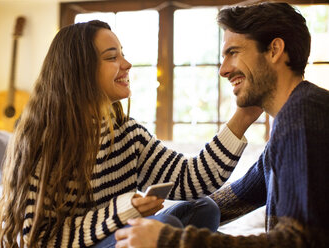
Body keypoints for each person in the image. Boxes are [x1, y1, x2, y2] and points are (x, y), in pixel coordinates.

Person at [0, 20, 262, 248]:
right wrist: (123, 210)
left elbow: (190, 179)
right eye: (112, 57)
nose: (127, 64)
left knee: (204, 208)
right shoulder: (45, 140)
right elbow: (38, 238)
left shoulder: (126, 132)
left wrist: (244, 116)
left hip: (113, 234)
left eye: (122, 54)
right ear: (80, 70)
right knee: (165, 227)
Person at [115, 2, 329, 248]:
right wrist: (162, 220)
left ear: (274, 50)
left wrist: (170, 240)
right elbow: (235, 198)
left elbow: (301, 241)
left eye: (233, 52)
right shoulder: (292, 118)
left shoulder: (304, 115)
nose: (223, 70)